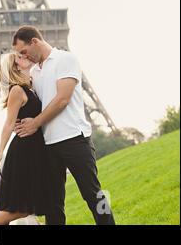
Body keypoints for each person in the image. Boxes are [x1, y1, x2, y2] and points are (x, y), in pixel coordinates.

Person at [12, 25, 115, 225]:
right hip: (48, 145)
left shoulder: (65, 59)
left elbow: (62, 99)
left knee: (93, 194)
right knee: (53, 204)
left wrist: (35, 123)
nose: (24, 57)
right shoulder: (34, 72)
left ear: (35, 41)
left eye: (24, 51)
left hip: (74, 139)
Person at [0, 52, 50, 225]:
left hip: (34, 151)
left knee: (23, 208)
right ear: (15, 67)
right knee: (17, 209)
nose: (23, 56)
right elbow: (9, 123)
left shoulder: (32, 86)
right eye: (18, 58)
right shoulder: (18, 90)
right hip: (24, 153)